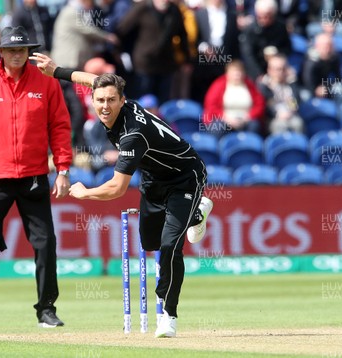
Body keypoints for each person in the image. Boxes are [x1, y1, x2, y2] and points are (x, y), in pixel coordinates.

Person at [30, 52, 214, 338]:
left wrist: (84, 193)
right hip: (154, 178)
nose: (104, 106)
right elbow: (94, 80)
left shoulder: (132, 134)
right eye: (100, 100)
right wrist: (57, 72)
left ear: (122, 101)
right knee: (150, 241)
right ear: (92, 100)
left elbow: (116, 189)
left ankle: (169, 314)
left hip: (185, 177)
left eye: (110, 101)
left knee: (168, 247)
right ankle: (197, 214)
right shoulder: (107, 94)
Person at [0, 27, 72, 329]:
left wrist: (63, 169)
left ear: (29, 52)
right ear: (1, 52)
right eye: (11, 50)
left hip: (33, 177)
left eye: (22, 50)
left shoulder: (47, 84)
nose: (17, 54)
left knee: (45, 244)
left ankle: (46, 309)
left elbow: (60, 126)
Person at [203, 60, 265, 136]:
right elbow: (211, 106)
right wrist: (226, 119)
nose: (237, 75)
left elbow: (260, 104)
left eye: (239, 72)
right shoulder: (218, 84)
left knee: (255, 125)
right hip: (224, 119)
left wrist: (248, 117)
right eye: (234, 72)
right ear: (227, 73)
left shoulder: (250, 85)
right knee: (217, 127)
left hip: (246, 119)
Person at [239, 0, 291, 79]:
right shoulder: (250, 30)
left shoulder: (281, 27)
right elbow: (248, 55)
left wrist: (277, 53)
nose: (264, 19)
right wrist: (258, 74)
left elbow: (287, 48)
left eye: (267, 16)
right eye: (260, 16)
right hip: (257, 71)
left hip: (277, 71)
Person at [257, 54, 305, 134]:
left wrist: (293, 82)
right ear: (269, 70)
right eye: (277, 69)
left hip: (291, 116)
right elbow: (266, 107)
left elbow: (295, 104)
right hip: (273, 119)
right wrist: (277, 114)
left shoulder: (290, 85)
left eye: (283, 69)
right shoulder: (264, 85)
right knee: (280, 125)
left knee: (298, 123)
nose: (280, 72)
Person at [301, 33, 342, 99]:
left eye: (330, 46)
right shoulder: (311, 61)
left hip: (325, 86)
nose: (327, 49)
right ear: (317, 46)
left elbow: (338, 78)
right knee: (305, 96)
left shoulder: (334, 58)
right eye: (325, 46)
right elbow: (307, 80)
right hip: (308, 87)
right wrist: (315, 89)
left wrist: (326, 87)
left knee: (339, 89)